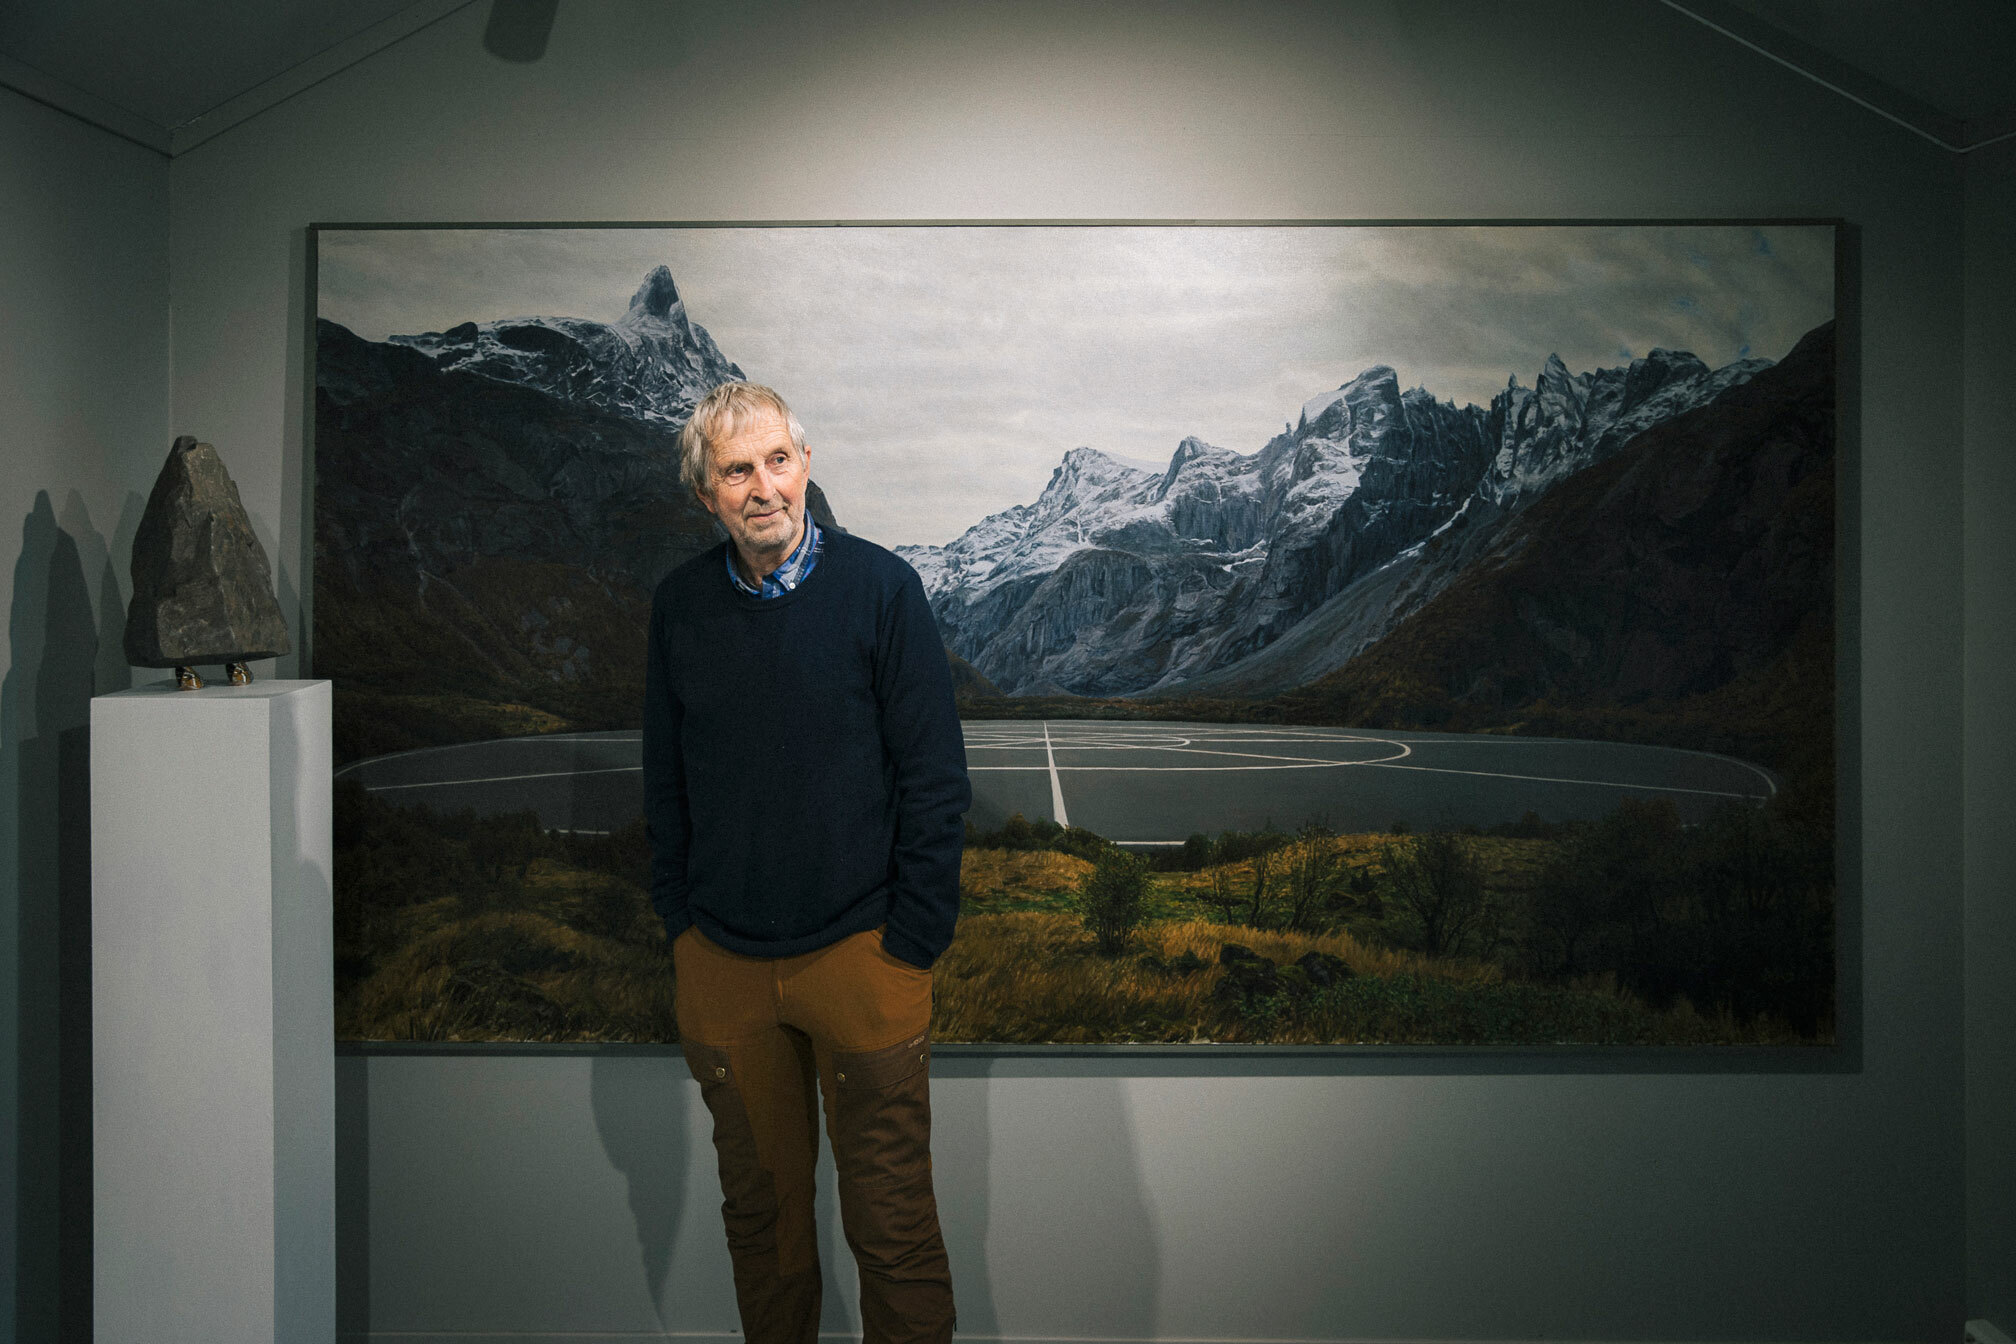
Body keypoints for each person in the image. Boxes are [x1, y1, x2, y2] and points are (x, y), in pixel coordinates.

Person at [643, 381, 970, 1344]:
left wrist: (909, 945)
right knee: (766, 1232)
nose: (762, 488)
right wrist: (684, 930)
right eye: (735, 470)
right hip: (726, 972)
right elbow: (665, 781)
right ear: (706, 493)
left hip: (864, 960)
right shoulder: (680, 608)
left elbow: (934, 779)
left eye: (777, 461)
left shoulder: (882, 590)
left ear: (807, 467)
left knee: (895, 1234)